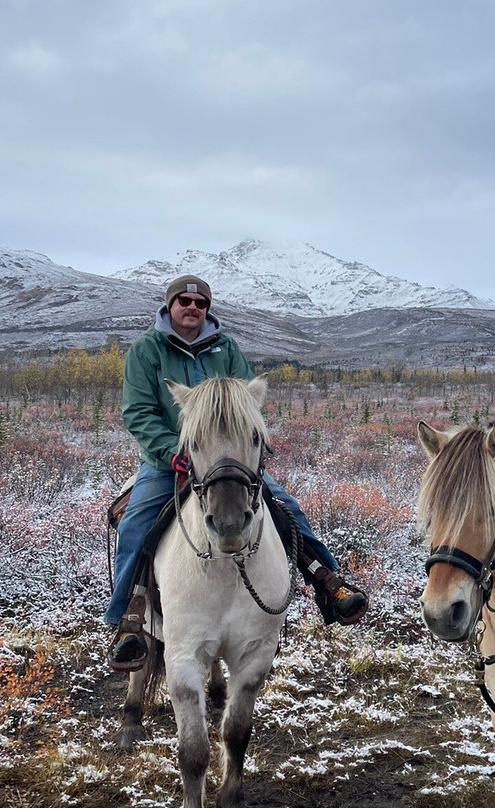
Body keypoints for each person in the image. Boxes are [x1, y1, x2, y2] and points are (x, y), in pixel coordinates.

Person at [106, 274, 368, 670]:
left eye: (200, 304)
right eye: (184, 302)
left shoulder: (225, 348)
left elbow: (248, 405)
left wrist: (245, 450)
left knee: (287, 508)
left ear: (207, 310)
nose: (192, 309)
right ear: (170, 306)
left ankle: (329, 582)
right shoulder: (146, 350)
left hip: (228, 460)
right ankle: (127, 619)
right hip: (170, 460)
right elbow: (138, 412)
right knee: (137, 522)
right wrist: (172, 451)